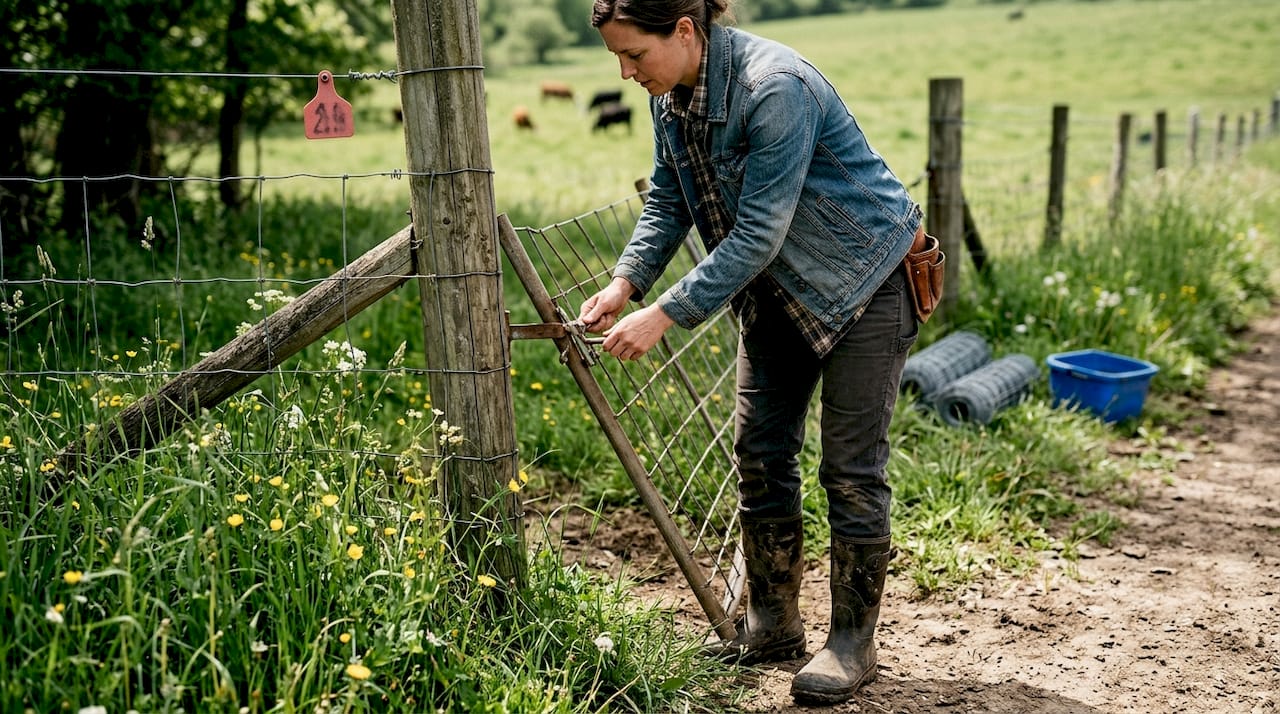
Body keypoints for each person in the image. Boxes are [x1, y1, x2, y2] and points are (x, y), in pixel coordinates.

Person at [577, 0, 927, 705]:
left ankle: (853, 646)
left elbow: (760, 232)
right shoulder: (669, 99)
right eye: (615, 57)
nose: (624, 71)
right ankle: (773, 622)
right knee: (761, 453)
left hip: (865, 280)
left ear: (683, 31)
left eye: (634, 54)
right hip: (775, 293)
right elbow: (669, 201)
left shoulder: (776, 88)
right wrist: (625, 281)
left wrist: (665, 314)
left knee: (851, 469)